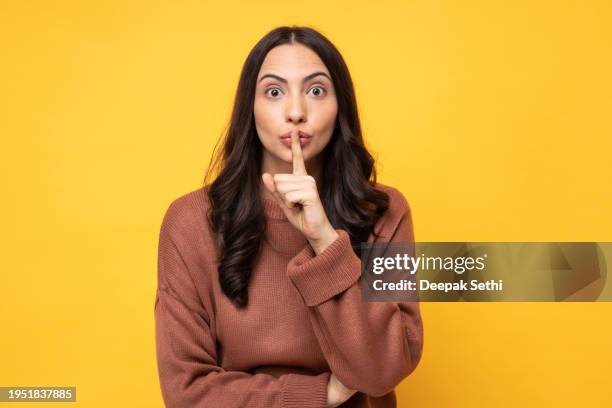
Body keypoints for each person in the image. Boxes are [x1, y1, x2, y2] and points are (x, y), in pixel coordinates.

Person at [154, 25, 424, 408]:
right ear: (250, 107)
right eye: (274, 92)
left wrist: (324, 240)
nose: (296, 112)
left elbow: (382, 372)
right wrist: (319, 396)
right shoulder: (190, 222)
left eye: (316, 91)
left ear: (340, 107)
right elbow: (186, 391)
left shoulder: (384, 213)